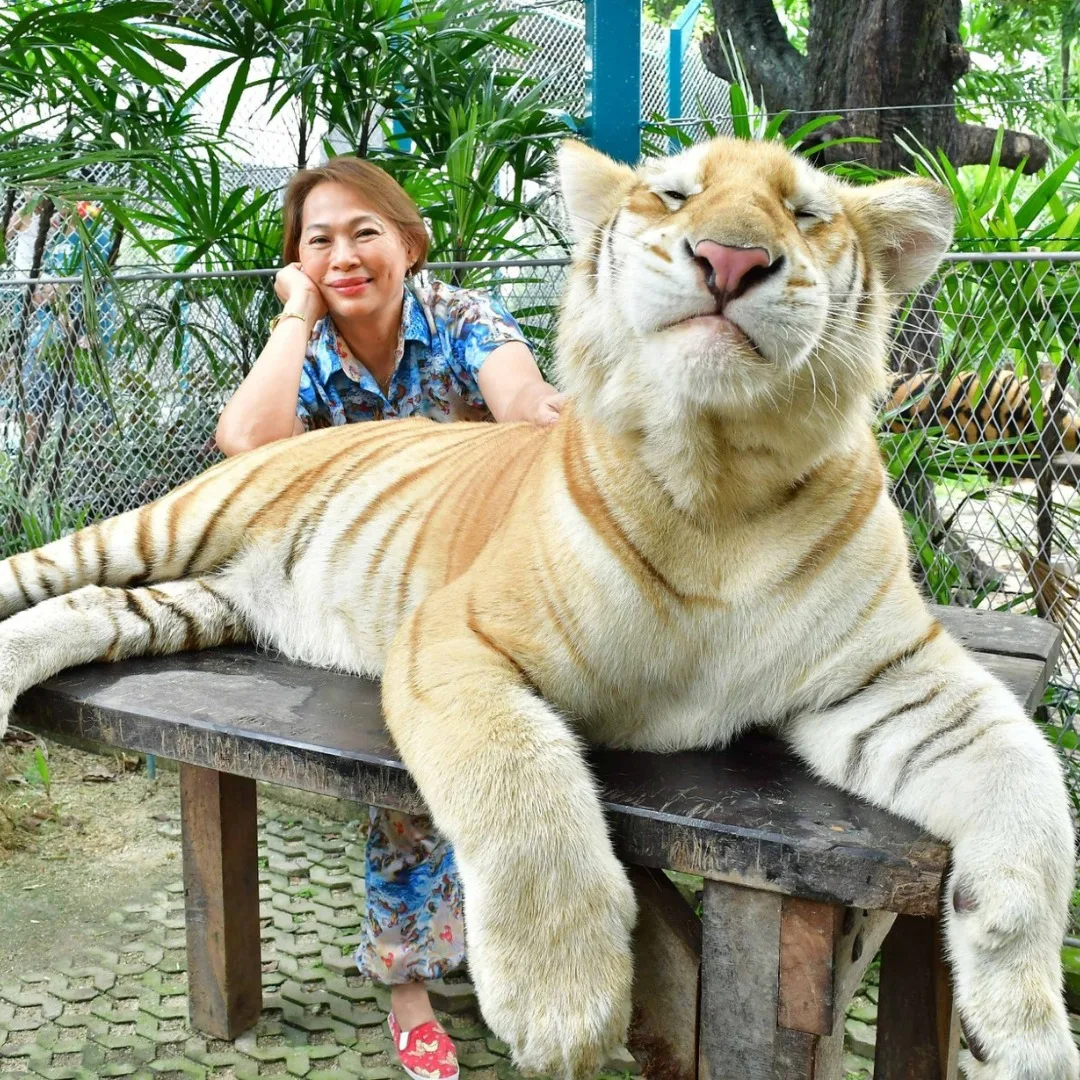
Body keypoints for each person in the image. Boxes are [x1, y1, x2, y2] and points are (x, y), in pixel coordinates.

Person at [215, 156, 563, 1080]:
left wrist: (548, 409)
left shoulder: (460, 318)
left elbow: (523, 403)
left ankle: (519, 957)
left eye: (365, 231)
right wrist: (296, 312)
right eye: (317, 239)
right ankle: (408, 987)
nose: (343, 255)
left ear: (409, 244)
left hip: (493, 587)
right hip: (363, 600)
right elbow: (248, 446)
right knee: (408, 775)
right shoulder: (311, 348)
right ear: (296, 260)